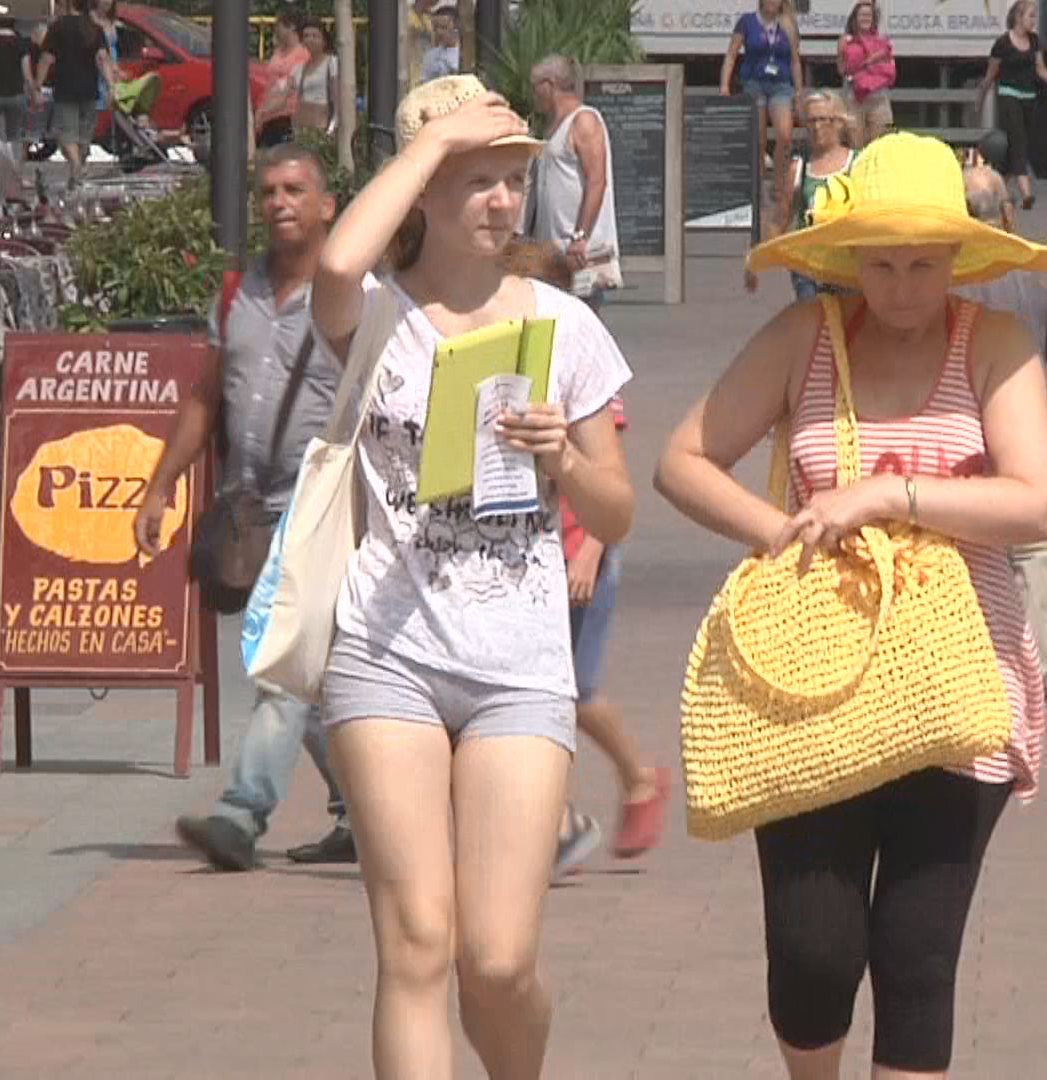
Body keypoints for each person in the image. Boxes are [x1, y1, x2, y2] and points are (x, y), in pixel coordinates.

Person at [655, 133, 1047, 1078]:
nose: (903, 287)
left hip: (959, 683)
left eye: (923, 264)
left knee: (918, 957)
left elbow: (1036, 502)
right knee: (813, 951)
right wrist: (782, 530)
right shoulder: (806, 337)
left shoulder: (994, 344)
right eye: (881, 265)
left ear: (957, 255)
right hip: (813, 678)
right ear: (849, 259)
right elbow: (682, 459)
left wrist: (887, 496)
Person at [309, 74, 634, 1079]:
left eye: (512, 180)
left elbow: (617, 512)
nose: (502, 200)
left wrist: (562, 458)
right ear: (425, 191)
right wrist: (428, 147)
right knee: (416, 941)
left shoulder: (562, 324)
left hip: (517, 663)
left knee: (496, 961)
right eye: (477, 180)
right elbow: (337, 259)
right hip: (386, 651)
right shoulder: (375, 316)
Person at [143, 147, 356, 871]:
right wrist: (160, 485)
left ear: (327, 206)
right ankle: (363, 811)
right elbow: (205, 398)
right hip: (251, 505)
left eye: (295, 189)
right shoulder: (238, 293)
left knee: (281, 662)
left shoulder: (354, 295)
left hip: (322, 504)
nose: (279, 202)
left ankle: (241, 813)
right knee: (311, 676)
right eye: (268, 191)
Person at [498, 237, 666, 875]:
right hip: (532, 554)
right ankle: (556, 817)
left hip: (581, 552)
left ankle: (635, 781)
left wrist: (591, 552)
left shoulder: (578, 362)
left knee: (573, 692)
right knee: (541, 692)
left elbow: (609, 474)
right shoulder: (507, 365)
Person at [953, 166, 1047, 688]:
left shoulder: (945, 274)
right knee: (1031, 549)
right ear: (1006, 212)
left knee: (968, 541)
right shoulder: (1040, 271)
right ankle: (1031, 666)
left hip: (961, 422)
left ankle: (976, 664)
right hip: (1030, 421)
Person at [527, 55, 621, 311]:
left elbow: (597, 181)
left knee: (581, 319)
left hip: (580, 252)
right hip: (553, 253)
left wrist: (580, 236)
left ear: (550, 84)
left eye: (535, 87)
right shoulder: (551, 128)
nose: (534, 95)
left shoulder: (584, 120)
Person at [745, 89, 857, 303]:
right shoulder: (800, 167)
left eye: (823, 119)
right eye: (811, 121)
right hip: (808, 267)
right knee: (812, 318)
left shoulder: (858, 163)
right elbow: (780, 218)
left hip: (847, 265)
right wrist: (756, 260)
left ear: (838, 122)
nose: (817, 127)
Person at [978, 0, 1047, 210]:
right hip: (1008, 97)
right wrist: (980, 99)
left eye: (1034, 16)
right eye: (1030, 16)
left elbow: (1040, 69)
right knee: (1018, 142)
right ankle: (1026, 194)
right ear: (1018, 17)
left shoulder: (1034, 41)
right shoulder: (1003, 44)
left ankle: (996, 189)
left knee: (1017, 147)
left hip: (1028, 98)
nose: (1034, 21)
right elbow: (990, 75)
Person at [722, 0, 804, 206]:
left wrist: (799, 92)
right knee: (758, 140)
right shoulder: (747, 22)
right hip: (754, 83)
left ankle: (779, 186)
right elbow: (731, 55)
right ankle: (759, 187)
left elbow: (795, 61)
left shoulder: (788, 24)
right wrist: (724, 85)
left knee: (785, 136)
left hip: (781, 85)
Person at [32, 0, 121, 188]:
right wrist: (111, 86)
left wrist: (37, 85)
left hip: (65, 89)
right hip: (89, 90)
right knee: (84, 136)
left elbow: (46, 59)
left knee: (66, 135)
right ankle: (76, 175)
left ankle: (76, 166)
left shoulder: (58, 27)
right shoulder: (94, 28)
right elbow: (103, 58)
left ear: (69, 4)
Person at [838, 2, 896, 147]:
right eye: (862, 15)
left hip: (879, 98)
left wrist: (871, 64)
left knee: (880, 145)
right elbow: (841, 69)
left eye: (869, 15)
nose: (866, 18)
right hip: (854, 98)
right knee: (855, 144)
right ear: (855, 18)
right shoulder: (845, 40)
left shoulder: (882, 40)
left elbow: (890, 68)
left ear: (873, 18)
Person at [0, 18, 37, 159]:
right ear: (14, 24)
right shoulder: (21, 42)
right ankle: (14, 167)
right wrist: (33, 92)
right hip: (16, 95)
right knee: (15, 135)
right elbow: (26, 73)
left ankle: (0, 166)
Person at [254, 10, 311, 148]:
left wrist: (262, 112)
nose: (275, 30)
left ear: (291, 27)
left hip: (285, 119)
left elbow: (286, 92)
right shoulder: (278, 52)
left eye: (278, 26)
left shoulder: (301, 56)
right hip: (268, 118)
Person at [294, 20, 338, 134]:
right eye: (306, 36)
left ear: (324, 41)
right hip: (303, 129)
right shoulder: (300, 68)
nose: (310, 39)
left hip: (322, 129)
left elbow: (337, 100)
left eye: (315, 36)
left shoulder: (332, 63)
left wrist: (331, 130)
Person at [421, 6, 462, 84]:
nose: (439, 32)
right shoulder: (430, 56)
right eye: (435, 27)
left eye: (444, 27)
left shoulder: (465, 56)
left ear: (456, 28)